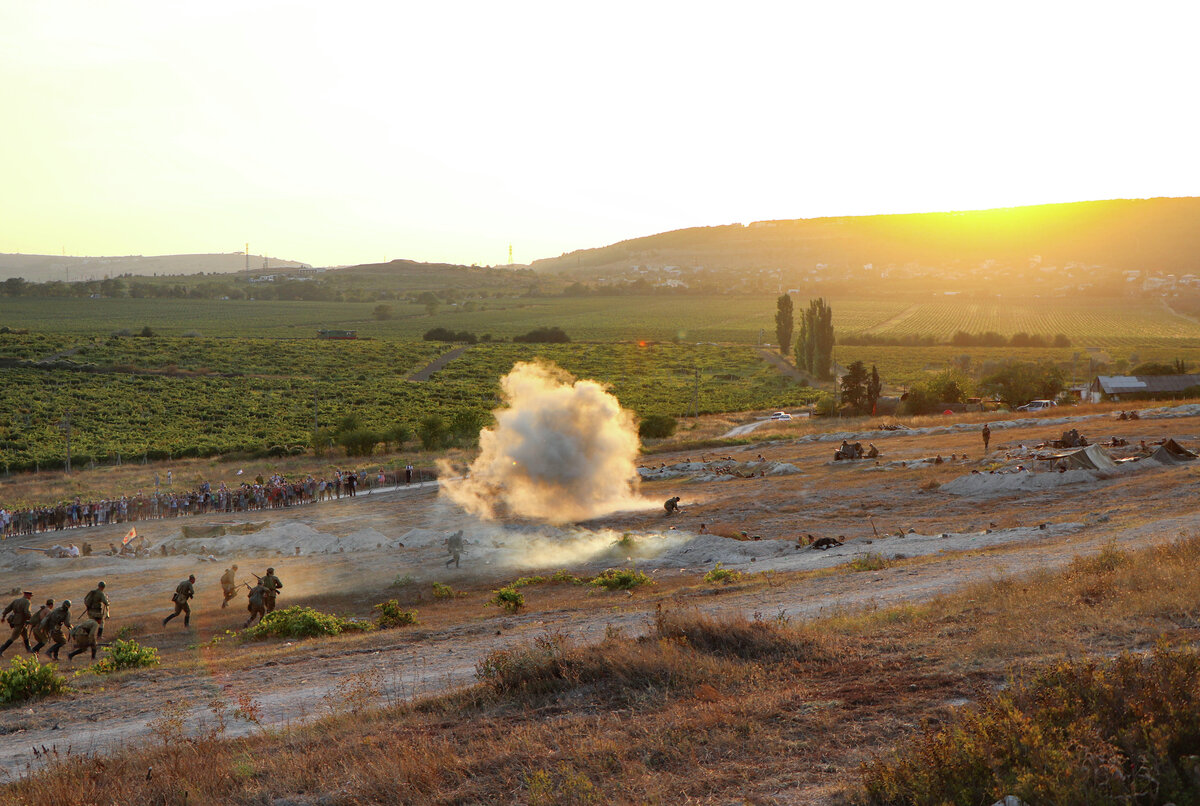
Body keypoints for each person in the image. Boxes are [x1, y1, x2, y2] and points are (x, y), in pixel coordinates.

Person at [0, 590, 34, 657]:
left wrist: (3, 617)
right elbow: (26, 612)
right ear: (27, 595)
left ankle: (29, 649)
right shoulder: (27, 602)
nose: (30, 597)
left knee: (25, 635)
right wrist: (31, 619)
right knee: (14, 637)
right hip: (21, 621)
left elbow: (7, 609)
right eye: (30, 596)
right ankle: (1, 650)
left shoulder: (16, 601)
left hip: (16, 620)